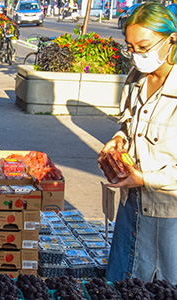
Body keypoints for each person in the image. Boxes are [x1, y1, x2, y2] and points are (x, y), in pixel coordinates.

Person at [100, 2, 177, 283]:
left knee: (159, 287)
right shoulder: (136, 78)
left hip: (168, 218)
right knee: (121, 284)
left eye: (144, 47)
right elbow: (128, 123)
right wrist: (119, 139)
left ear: (172, 38)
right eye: (130, 48)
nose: (137, 56)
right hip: (130, 205)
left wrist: (144, 178)